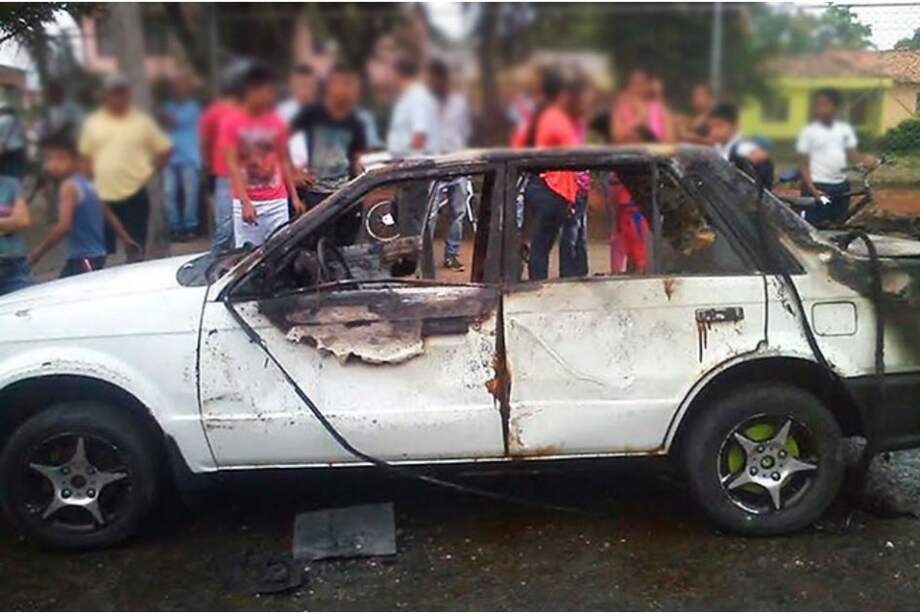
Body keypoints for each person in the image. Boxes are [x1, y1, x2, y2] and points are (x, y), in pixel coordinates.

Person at [78, 74, 172, 260]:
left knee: (136, 248)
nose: (118, 97)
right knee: (101, 252)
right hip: (103, 196)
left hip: (134, 194)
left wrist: (149, 170)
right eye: (114, 93)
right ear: (106, 95)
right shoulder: (93, 123)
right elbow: (85, 157)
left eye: (122, 93)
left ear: (128, 94)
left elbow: (164, 149)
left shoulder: (141, 122)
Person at [220, 63, 305, 249]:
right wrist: (245, 202)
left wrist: (294, 196)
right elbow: (232, 165)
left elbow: (283, 160)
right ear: (252, 91)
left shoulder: (276, 122)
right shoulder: (231, 123)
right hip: (249, 201)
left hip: (277, 202)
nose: (271, 98)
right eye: (267, 92)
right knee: (249, 254)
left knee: (281, 251)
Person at [28, 135, 139, 277]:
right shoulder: (90, 184)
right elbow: (108, 214)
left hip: (82, 257)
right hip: (97, 254)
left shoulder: (69, 187)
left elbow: (63, 227)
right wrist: (125, 239)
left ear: (75, 161)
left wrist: (37, 253)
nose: (53, 164)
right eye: (50, 159)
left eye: (60, 158)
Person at [515, 67, 580, 281]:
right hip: (552, 189)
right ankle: (538, 288)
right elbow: (576, 154)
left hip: (538, 185)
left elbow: (519, 144)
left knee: (538, 245)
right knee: (541, 247)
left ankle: (533, 281)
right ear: (561, 94)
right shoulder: (556, 118)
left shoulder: (539, 116)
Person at [290, 64, 366, 210]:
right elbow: (280, 140)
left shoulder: (355, 122)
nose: (345, 90)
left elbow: (357, 160)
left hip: (345, 196)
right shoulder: (312, 113)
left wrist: (359, 191)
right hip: (315, 195)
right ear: (330, 85)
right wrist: (293, 173)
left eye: (349, 84)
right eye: (341, 83)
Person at [796, 88, 876, 225]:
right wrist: (812, 189)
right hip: (818, 187)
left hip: (840, 187)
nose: (821, 108)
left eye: (825, 104)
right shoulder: (808, 132)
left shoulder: (844, 129)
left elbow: (852, 154)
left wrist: (867, 159)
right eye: (818, 105)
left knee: (838, 224)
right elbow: (802, 163)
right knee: (813, 226)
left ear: (835, 107)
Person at [427, 58, 472, 271]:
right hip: (434, 167)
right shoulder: (424, 104)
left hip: (458, 165)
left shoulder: (459, 103)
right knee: (430, 215)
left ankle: (451, 255)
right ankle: (424, 257)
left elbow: (465, 131)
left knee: (458, 213)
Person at [200, 61, 248, 252]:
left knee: (243, 226)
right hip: (225, 175)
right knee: (225, 226)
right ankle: (215, 258)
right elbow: (205, 141)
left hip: (250, 175)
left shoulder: (251, 110)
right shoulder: (215, 112)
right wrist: (210, 164)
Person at [161, 74, 202, 241]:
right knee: (168, 192)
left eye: (182, 86)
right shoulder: (167, 106)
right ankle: (175, 227)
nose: (179, 90)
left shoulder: (194, 107)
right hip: (169, 156)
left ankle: (190, 227)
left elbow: (174, 122)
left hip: (190, 156)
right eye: (176, 87)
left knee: (190, 194)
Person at [708, 103, 773, 188]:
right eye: (711, 126)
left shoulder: (742, 148)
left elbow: (759, 156)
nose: (714, 131)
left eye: (719, 125)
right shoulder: (716, 147)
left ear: (734, 126)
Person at [386, 56, 439, 156]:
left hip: (415, 164)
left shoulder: (417, 97)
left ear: (398, 74)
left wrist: (403, 159)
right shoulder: (405, 97)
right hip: (402, 160)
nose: (389, 78)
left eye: (390, 74)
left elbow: (419, 136)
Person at [610, 68, 674, 143]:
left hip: (655, 151)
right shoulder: (620, 108)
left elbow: (670, 139)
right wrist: (639, 119)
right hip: (628, 151)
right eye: (634, 83)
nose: (638, 87)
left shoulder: (659, 108)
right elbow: (617, 137)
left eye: (642, 83)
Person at [0, 175, 31, 295]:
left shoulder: (11, 184)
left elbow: (22, 220)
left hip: (14, 263)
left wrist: (14, 222)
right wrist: (8, 223)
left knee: (29, 304)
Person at [0, 102, 27, 178]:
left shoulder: (1, 121)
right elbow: (23, 134)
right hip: (19, 147)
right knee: (17, 168)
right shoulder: (18, 121)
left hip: (7, 149)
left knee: (7, 169)